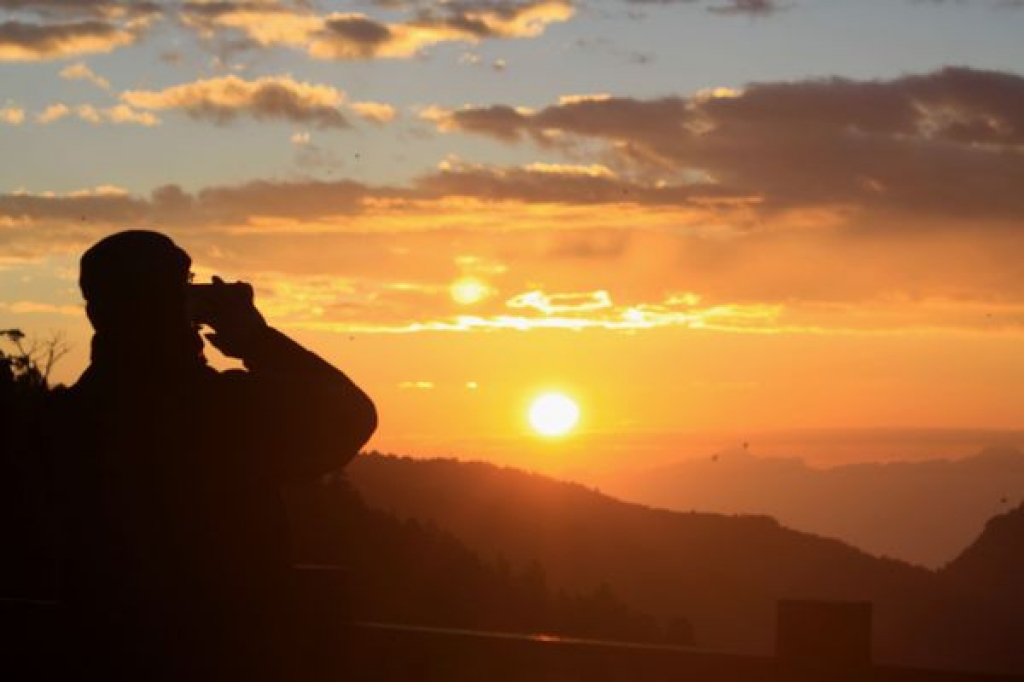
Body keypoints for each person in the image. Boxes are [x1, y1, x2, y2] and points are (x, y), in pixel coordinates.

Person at [46, 230, 377, 680]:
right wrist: (256, 340)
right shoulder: (218, 413)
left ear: (96, 312)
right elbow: (352, 415)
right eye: (185, 286)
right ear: (177, 307)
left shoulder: (66, 419)